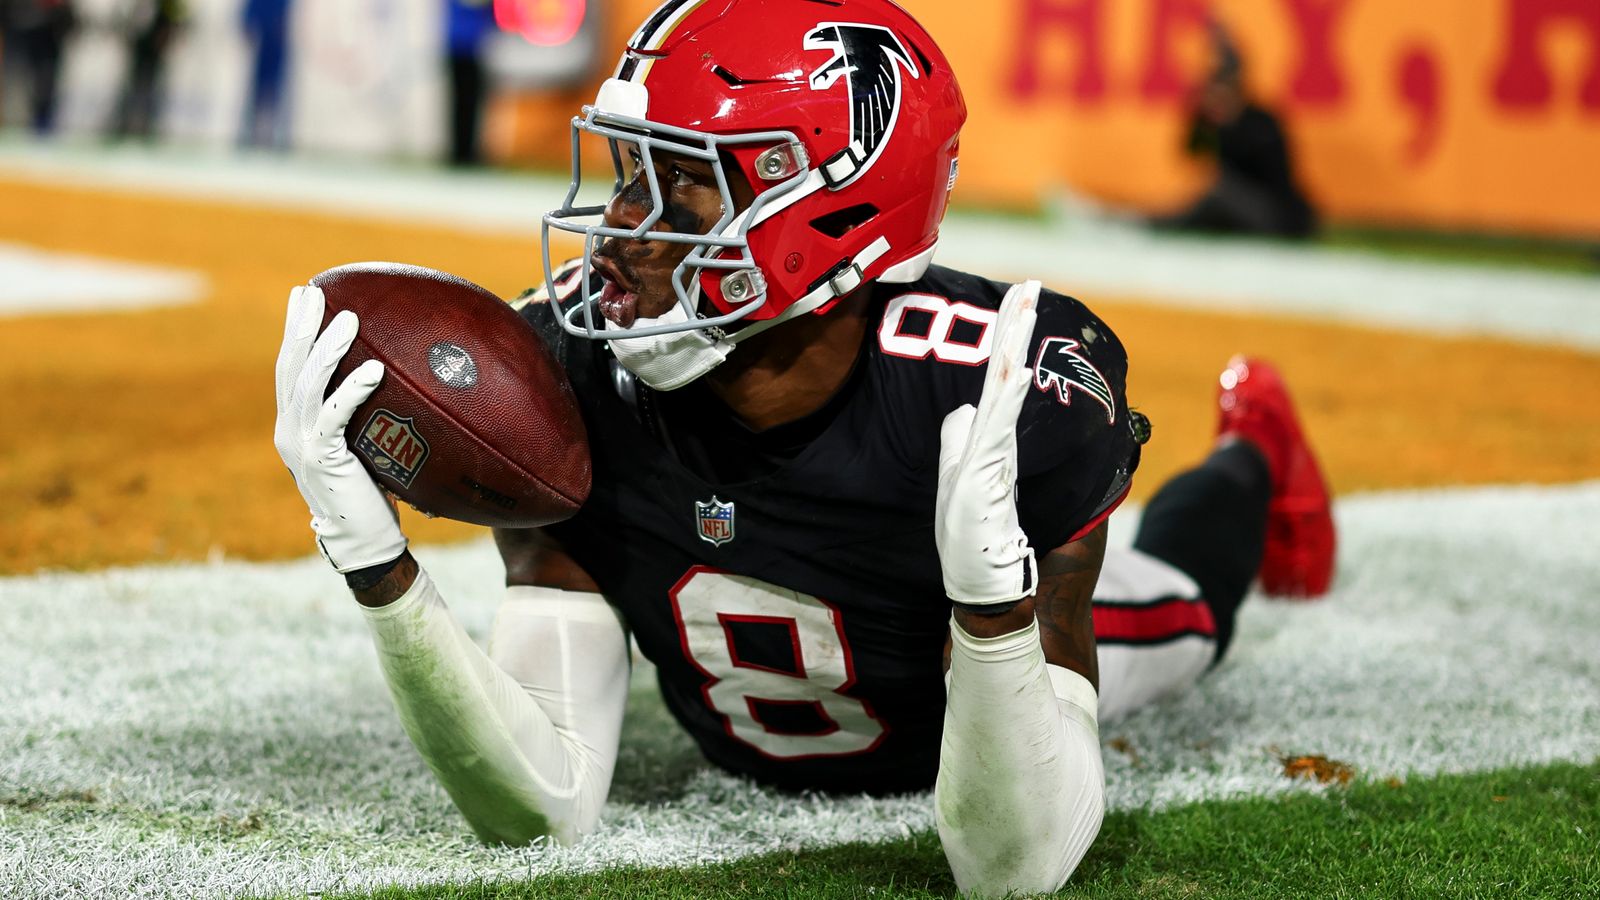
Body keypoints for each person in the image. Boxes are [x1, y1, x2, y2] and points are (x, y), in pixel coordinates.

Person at [272, 1, 1335, 894]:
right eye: (630, 171)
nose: (621, 229)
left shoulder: (996, 388)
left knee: (1186, 604)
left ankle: (1256, 456)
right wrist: (380, 572)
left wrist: (993, 609)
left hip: (960, 701)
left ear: (826, 208)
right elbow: (541, 806)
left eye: (680, 181)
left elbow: (1013, 871)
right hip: (766, 720)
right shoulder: (571, 379)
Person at [1154, 22, 1317, 239]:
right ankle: (1168, 222)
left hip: (1277, 214)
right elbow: (1192, 150)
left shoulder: (1260, 122)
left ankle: (1170, 225)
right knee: (1216, 198)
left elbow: (1263, 170)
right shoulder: (1217, 124)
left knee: (1221, 193)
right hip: (1248, 210)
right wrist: (1201, 118)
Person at [0, 0, 74, 135]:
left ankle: (42, 121)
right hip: (17, 28)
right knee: (15, 78)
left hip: (49, 33)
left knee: (45, 79)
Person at [239, 0, 292, 150]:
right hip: (262, 40)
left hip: (278, 41)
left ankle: (277, 136)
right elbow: (251, 10)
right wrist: (248, 22)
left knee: (277, 90)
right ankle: (249, 134)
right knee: (257, 90)